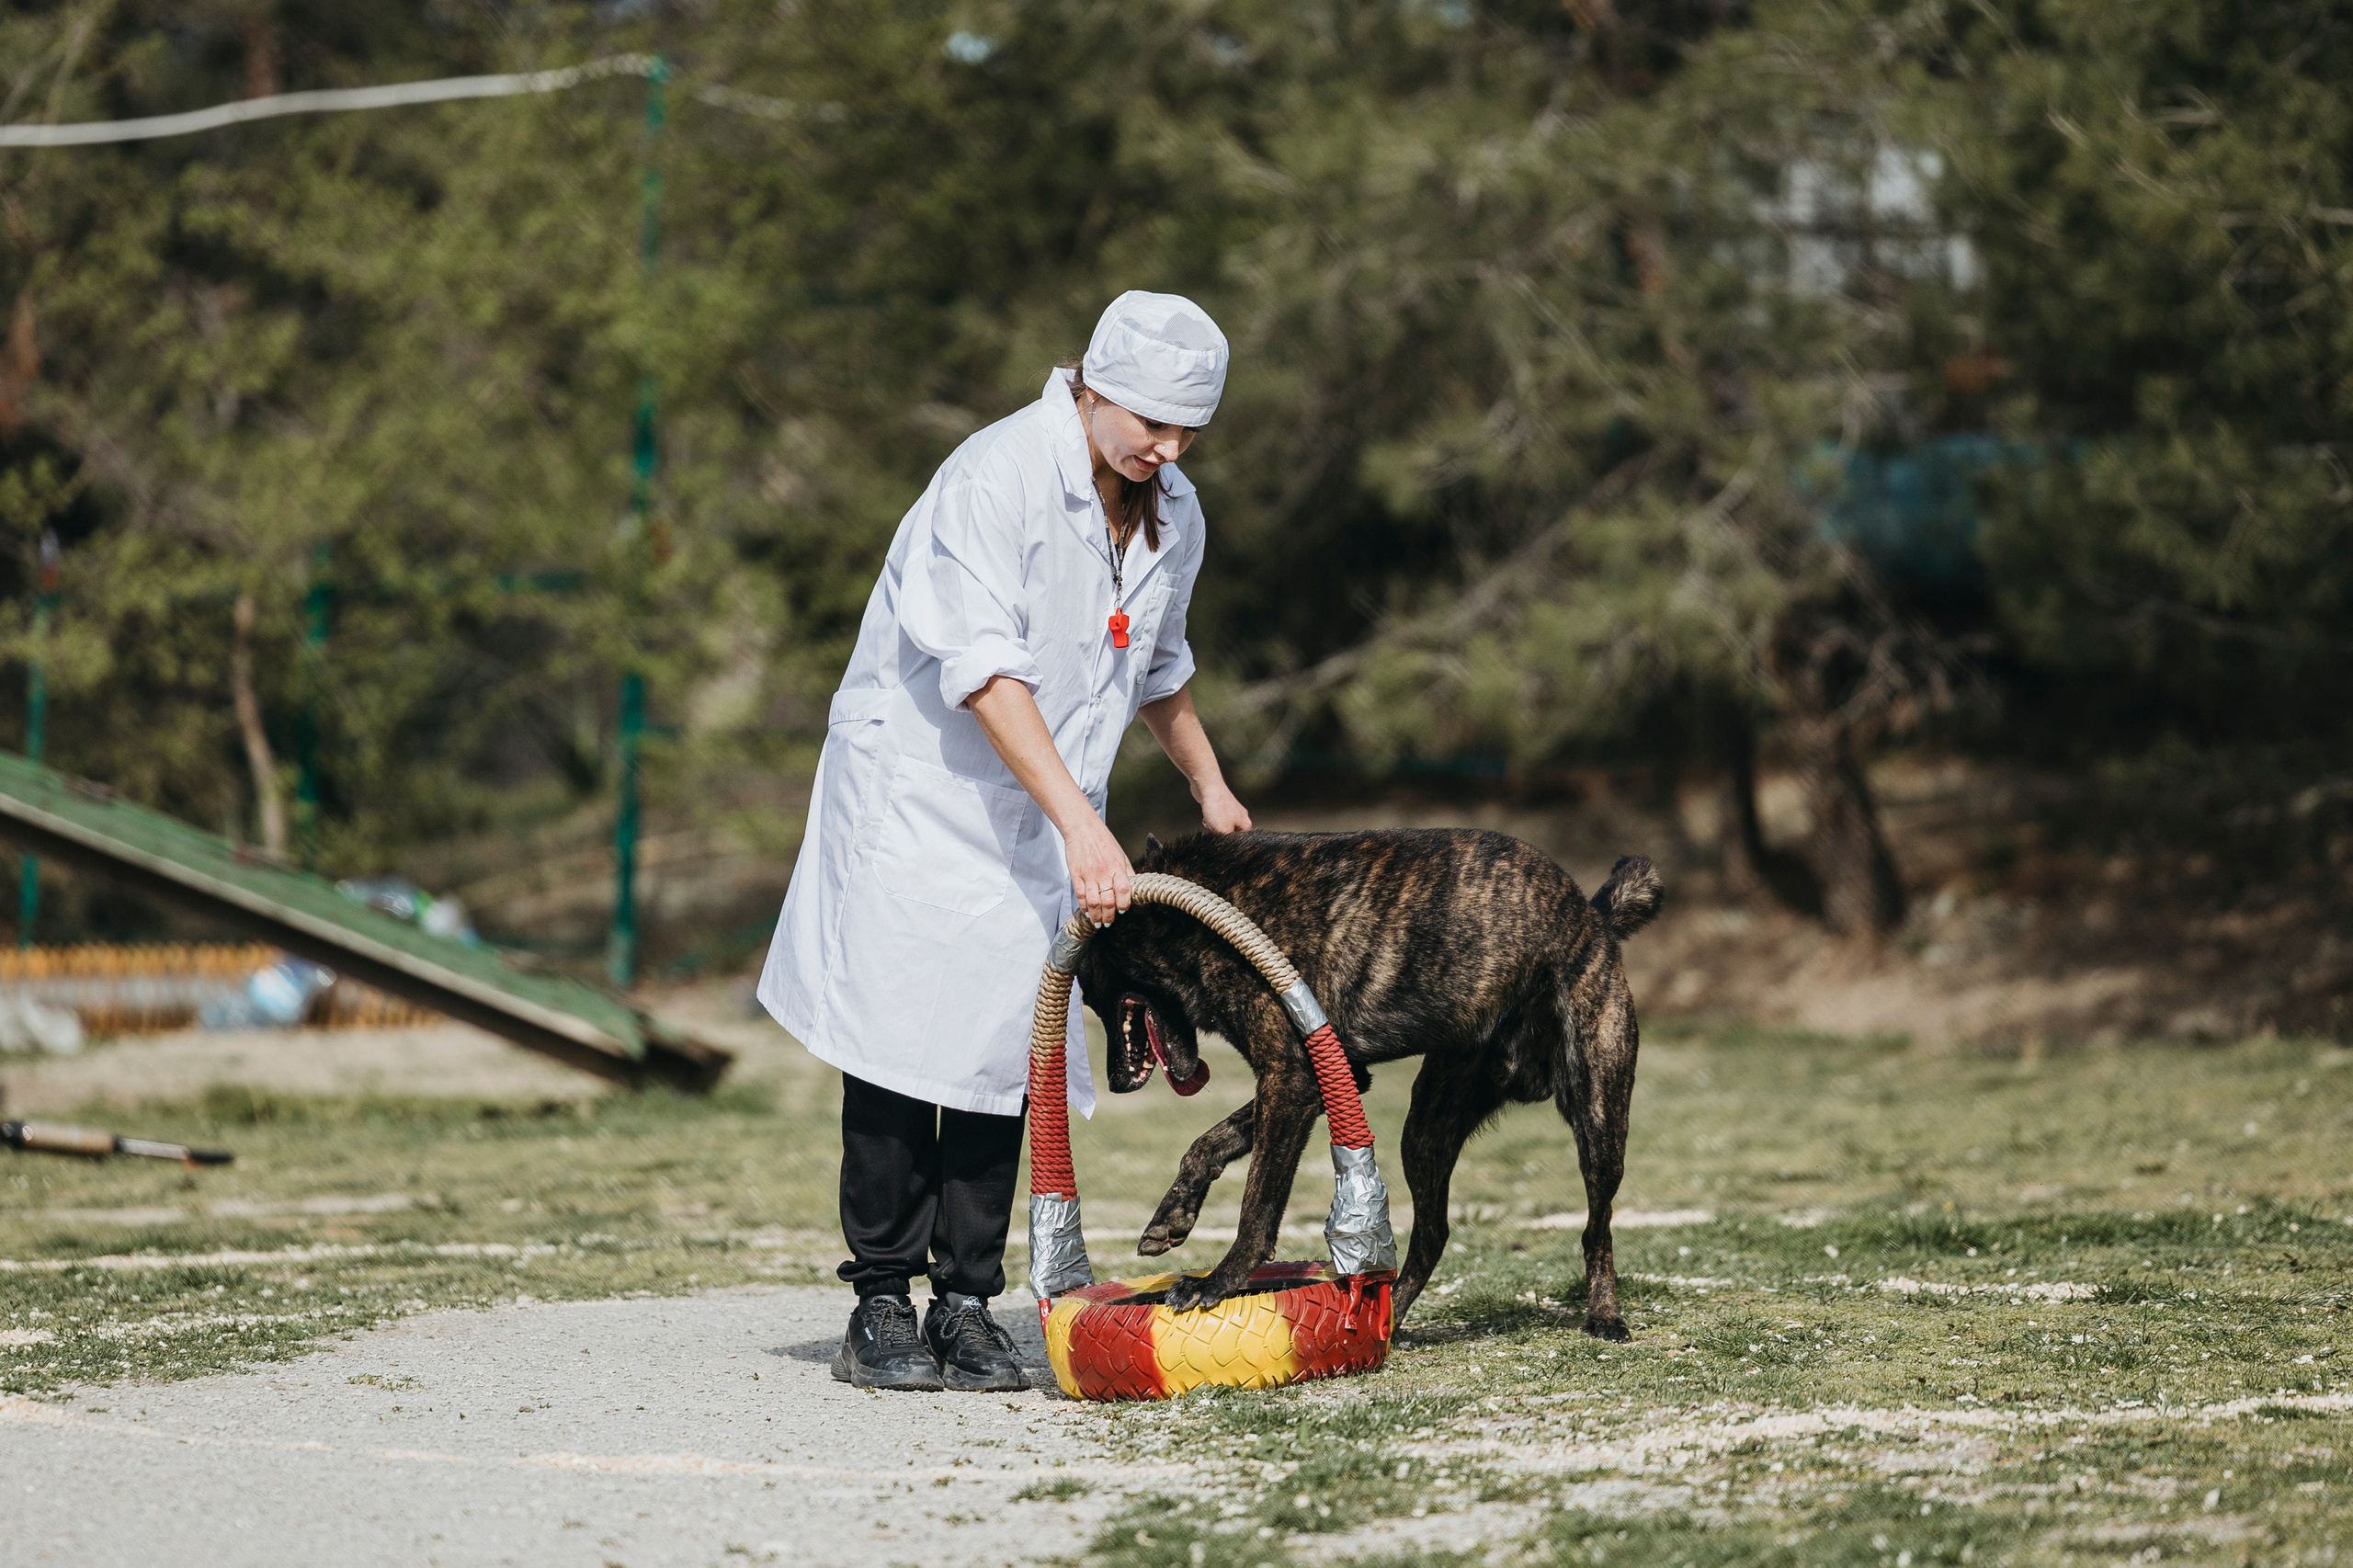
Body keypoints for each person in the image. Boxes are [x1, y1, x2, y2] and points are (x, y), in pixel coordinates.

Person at [758, 292, 1254, 1391]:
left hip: (1037, 813)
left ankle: (967, 1302)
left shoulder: (1174, 512)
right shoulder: (995, 477)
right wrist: (1085, 824)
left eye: (1187, 433)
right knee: (898, 1053)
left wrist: (1211, 785)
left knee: (1000, 1054)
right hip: (924, 800)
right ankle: (882, 1303)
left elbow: (1157, 666)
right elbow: (981, 671)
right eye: (1151, 425)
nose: (1168, 452)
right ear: (1095, 384)